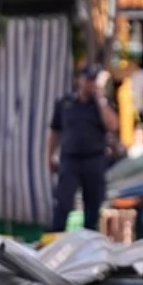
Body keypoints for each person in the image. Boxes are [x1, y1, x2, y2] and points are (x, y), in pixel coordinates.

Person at [49, 65, 119, 232]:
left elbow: (113, 125)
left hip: (93, 158)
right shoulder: (65, 103)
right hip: (70, 158)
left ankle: (89, 237)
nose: (90, 84)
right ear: (79, 80)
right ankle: (56, 235)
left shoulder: (102, 104)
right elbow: (54, 130)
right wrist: (50, 155)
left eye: (94, 81)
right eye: (88, 80)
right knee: (64, 200)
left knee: (93, 203)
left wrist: (100, 99)